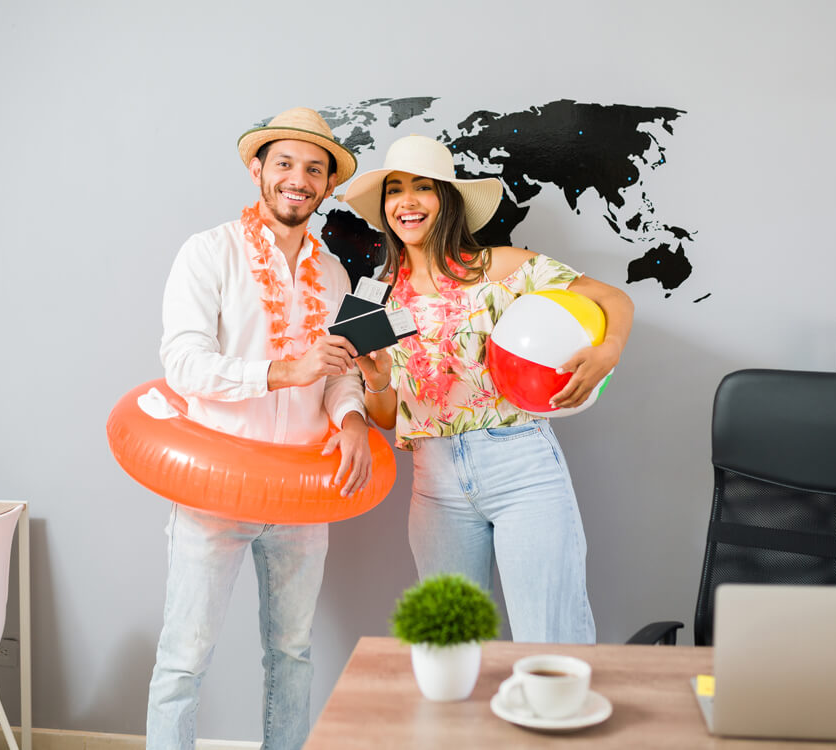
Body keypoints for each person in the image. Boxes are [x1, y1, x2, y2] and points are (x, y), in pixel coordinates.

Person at [341, 134, 634, 644]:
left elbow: (612, 299)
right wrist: (378, 378)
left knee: (550, 640)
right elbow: (386, 417)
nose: (407, 202)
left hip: (521, 466)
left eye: (423, 187)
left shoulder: (500, 266)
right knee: (450, 648)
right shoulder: (376, 298)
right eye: (395, 190)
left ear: (447, 199)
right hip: (433, 485)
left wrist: (608, 351)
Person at [147, 107, 373, 749]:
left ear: (328, 184)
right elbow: (183, 362)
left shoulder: (334, 275)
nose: (298, 179)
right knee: (183, 662)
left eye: (314, 169)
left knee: (293, 654)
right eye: (284, 164)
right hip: (215, 491)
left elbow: (339, 372)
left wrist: (353, 418)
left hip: (302, 498)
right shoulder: (208, 252)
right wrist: (283, 371)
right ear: (257, 170)